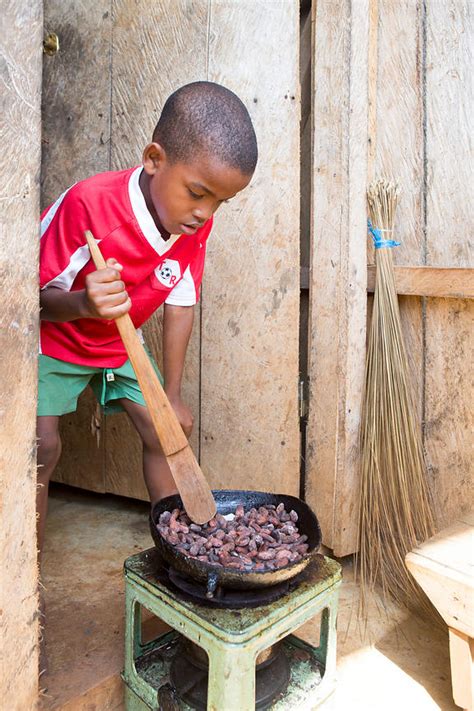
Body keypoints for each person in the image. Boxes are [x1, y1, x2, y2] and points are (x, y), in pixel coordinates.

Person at [37, 81, 258, 560]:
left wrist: (172, 394)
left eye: (221, 202)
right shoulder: (89, 205)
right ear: (154, 159)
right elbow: (28, 302)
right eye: (198, 193)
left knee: (166, 431)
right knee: (40, 447)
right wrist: (82, 305)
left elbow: (181, 296)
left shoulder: (191, 223)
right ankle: (21, 573)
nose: (205, 213)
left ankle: (180, 560)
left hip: (118, 341)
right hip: (52, 337)